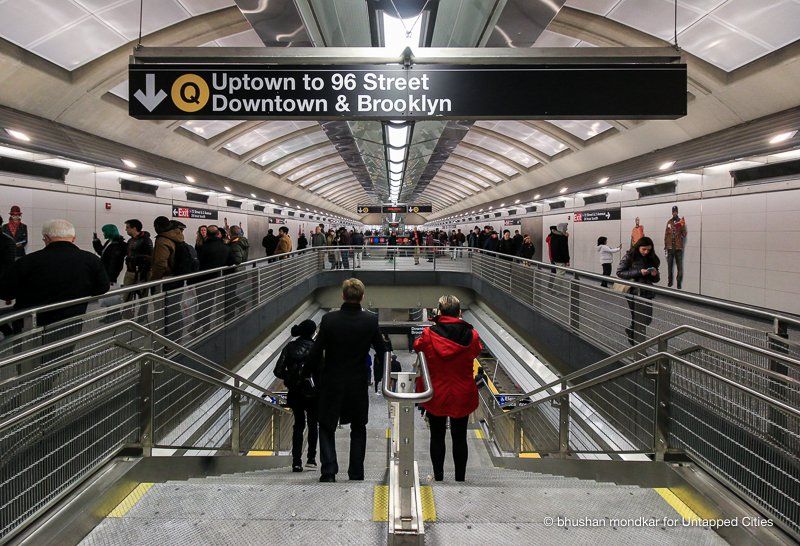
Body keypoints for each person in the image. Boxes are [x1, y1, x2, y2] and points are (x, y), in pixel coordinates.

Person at [307, 278, 387, 482]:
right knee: (359, 427)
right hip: (358, 382)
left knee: (326, 426)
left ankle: (329, 470)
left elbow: (316, 351)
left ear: (343, 295)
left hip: (331, 381)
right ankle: (356, 472)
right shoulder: (370, 321)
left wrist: (308, 373)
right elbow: (381, 350)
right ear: (362, 297)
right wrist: (383, 375)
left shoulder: (329, 320)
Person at [414, 295, 482, 482]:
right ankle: (460, 478)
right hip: (462, 392)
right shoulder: (472, 335)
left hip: (436, 392)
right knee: (460, 437)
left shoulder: (429, 334)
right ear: (459, 312)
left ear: (440, 312)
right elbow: (476, 350)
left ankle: (439, 477)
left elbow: (417, 346)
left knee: (437, 436)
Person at [0, 219, 110, 328]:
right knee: (64, 345)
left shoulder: (27, 261)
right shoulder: (91, 259)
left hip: (31, 325)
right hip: (72, 321)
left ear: (46, 238)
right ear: (73, 238)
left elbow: (6, 293)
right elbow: (103, 287)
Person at [274, 319, 319, 472]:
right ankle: (311, 458)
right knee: (313, 424)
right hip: (313, 392)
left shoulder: (290, 347)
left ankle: (296, 462)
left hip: (295, 392)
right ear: (313, 332)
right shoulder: (316, 348)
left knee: (299, 424)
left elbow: (278, 371)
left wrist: (291, 377)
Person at [617, 236, 661, 345]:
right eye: (644, 249)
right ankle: (637, 346)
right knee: (638, 319)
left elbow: (656, 280)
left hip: (647, 291)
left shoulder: (652, 258)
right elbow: (620, 272)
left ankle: (631, 331)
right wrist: (639, 272)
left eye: (649, 250)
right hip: (634, 292)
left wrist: (655, 275)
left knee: (647, 319)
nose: (646, 252)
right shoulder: (630, 256)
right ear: (638, 247)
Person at [122, 219, 152, 301]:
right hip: (130, 271)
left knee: (143, 299)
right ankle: (127, 314)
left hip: (142, 273)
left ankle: (142, 314)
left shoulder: (146, 240)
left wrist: (143, 275)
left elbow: (149, 258)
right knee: (126, 298)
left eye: (127, 227)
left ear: (134, 228)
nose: (126, 229)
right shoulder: (130, 241)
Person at [664, 206, 687, 289]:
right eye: (673, 211)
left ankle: (678, 282)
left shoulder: (681, 222)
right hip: (670, 248)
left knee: (680, 267)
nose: (674, 213)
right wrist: (665, 246)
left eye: (675, 211)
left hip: (678, 248)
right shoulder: (669, 222)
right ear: (672, 212)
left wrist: (683, 225)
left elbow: (684, 234)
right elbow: (666, 235)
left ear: (677, 212)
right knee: (669, 266)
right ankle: (670, 281)